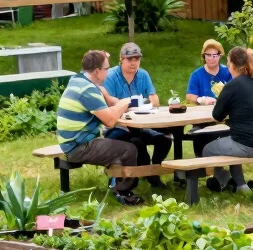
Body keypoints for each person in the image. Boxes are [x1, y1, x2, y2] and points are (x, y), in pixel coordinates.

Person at [56, 50, 143, 206]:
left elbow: (108, 105)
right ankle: (123, 192)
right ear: (97, 71)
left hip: (71, 142)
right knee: (129, 149)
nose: (108, 72)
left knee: (120, 141)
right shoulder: (88, 90)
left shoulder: (78, 80)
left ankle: (117, 182)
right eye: (107, 68)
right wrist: (125, 102)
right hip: (78, 146)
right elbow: (110, 121)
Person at [201, 46, 253, 194]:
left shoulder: (232, 86)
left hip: (249, 144)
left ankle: (223, 179)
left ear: (232, 64)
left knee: (208, 149)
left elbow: (217, 115)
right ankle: (241, 186)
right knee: (232, 141)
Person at [103, 42, 172, 187]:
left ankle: (153, 172)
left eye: (137, 59)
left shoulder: (143, 74)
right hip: (117, 127)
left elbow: (155, 99)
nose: (134, 63)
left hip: (140, 125)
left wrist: (141, 104)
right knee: (137, 143)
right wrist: (131, 104)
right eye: (130, 59)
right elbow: (109, 103)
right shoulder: (110, 76)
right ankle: (137, 176)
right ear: (121, 59)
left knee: (165, 139)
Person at [185, 38, 232, 105]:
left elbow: (236, 92)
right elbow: (189, 97)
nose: (211, 58)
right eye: (208, 55)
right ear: (204, 56)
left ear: (219, 56)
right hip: (203, 112)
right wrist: (202, 100)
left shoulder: (228, 72)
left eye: (215, 55)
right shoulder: (196, 75)